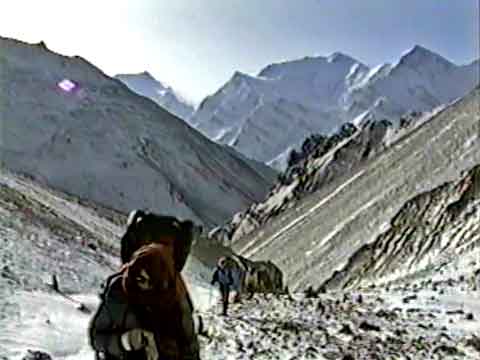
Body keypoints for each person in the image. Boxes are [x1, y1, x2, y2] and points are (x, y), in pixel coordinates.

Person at [89, 243, 200, 360]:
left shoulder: (176, 299)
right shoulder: (118, 292)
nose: (144, 286)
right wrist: (124, 341)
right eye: (139, 278)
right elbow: (96, 338)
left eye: (152, 281)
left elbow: (189, 348)